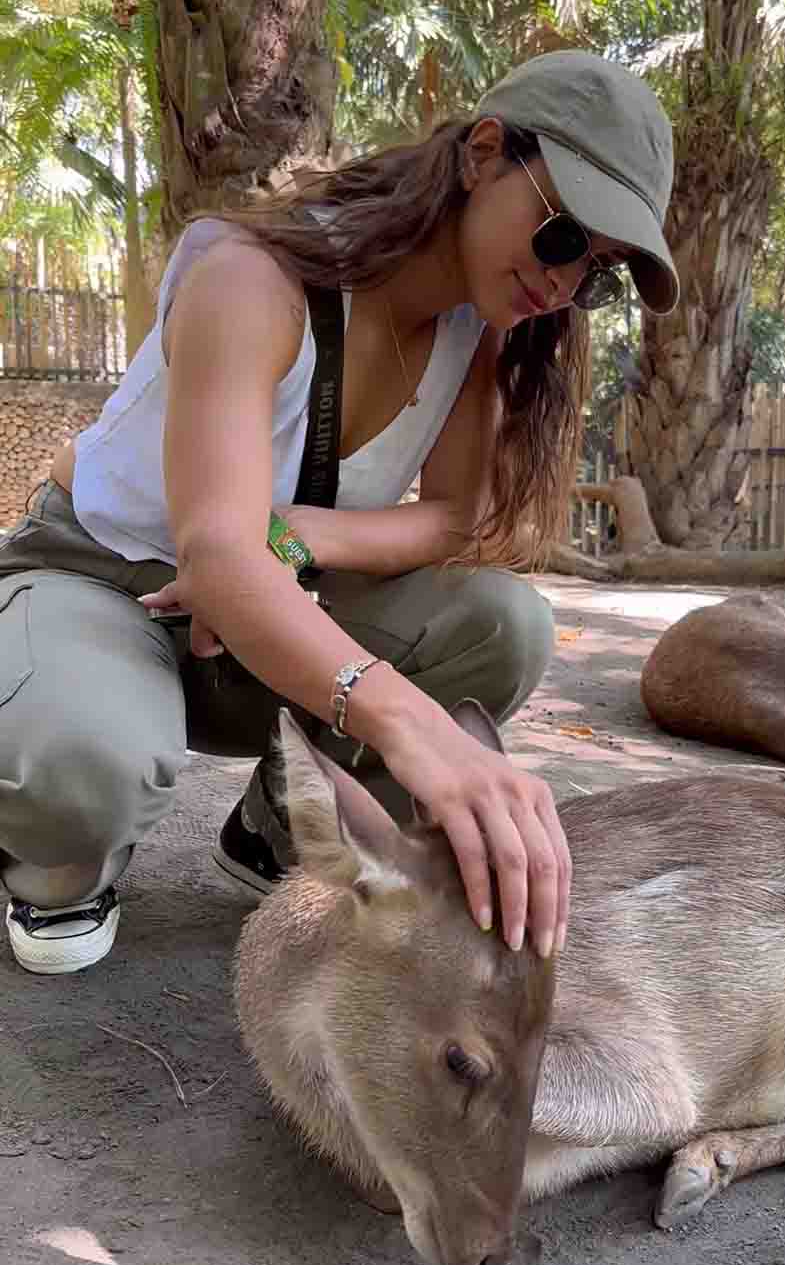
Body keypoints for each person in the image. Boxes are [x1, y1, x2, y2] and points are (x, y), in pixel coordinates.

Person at [0, 49, 678, 975]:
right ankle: (65, 847)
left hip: (255, 622)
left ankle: (281, 824)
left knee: (502, 624)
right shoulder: (254, 277)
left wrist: (299, 534)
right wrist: (415, 729)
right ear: (483, 153)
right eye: (565, 237)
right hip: (104, 577)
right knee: (83, 765)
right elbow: (218, 554)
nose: (563, 286)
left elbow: (453, 519)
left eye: (595, 274)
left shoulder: (479, 325)